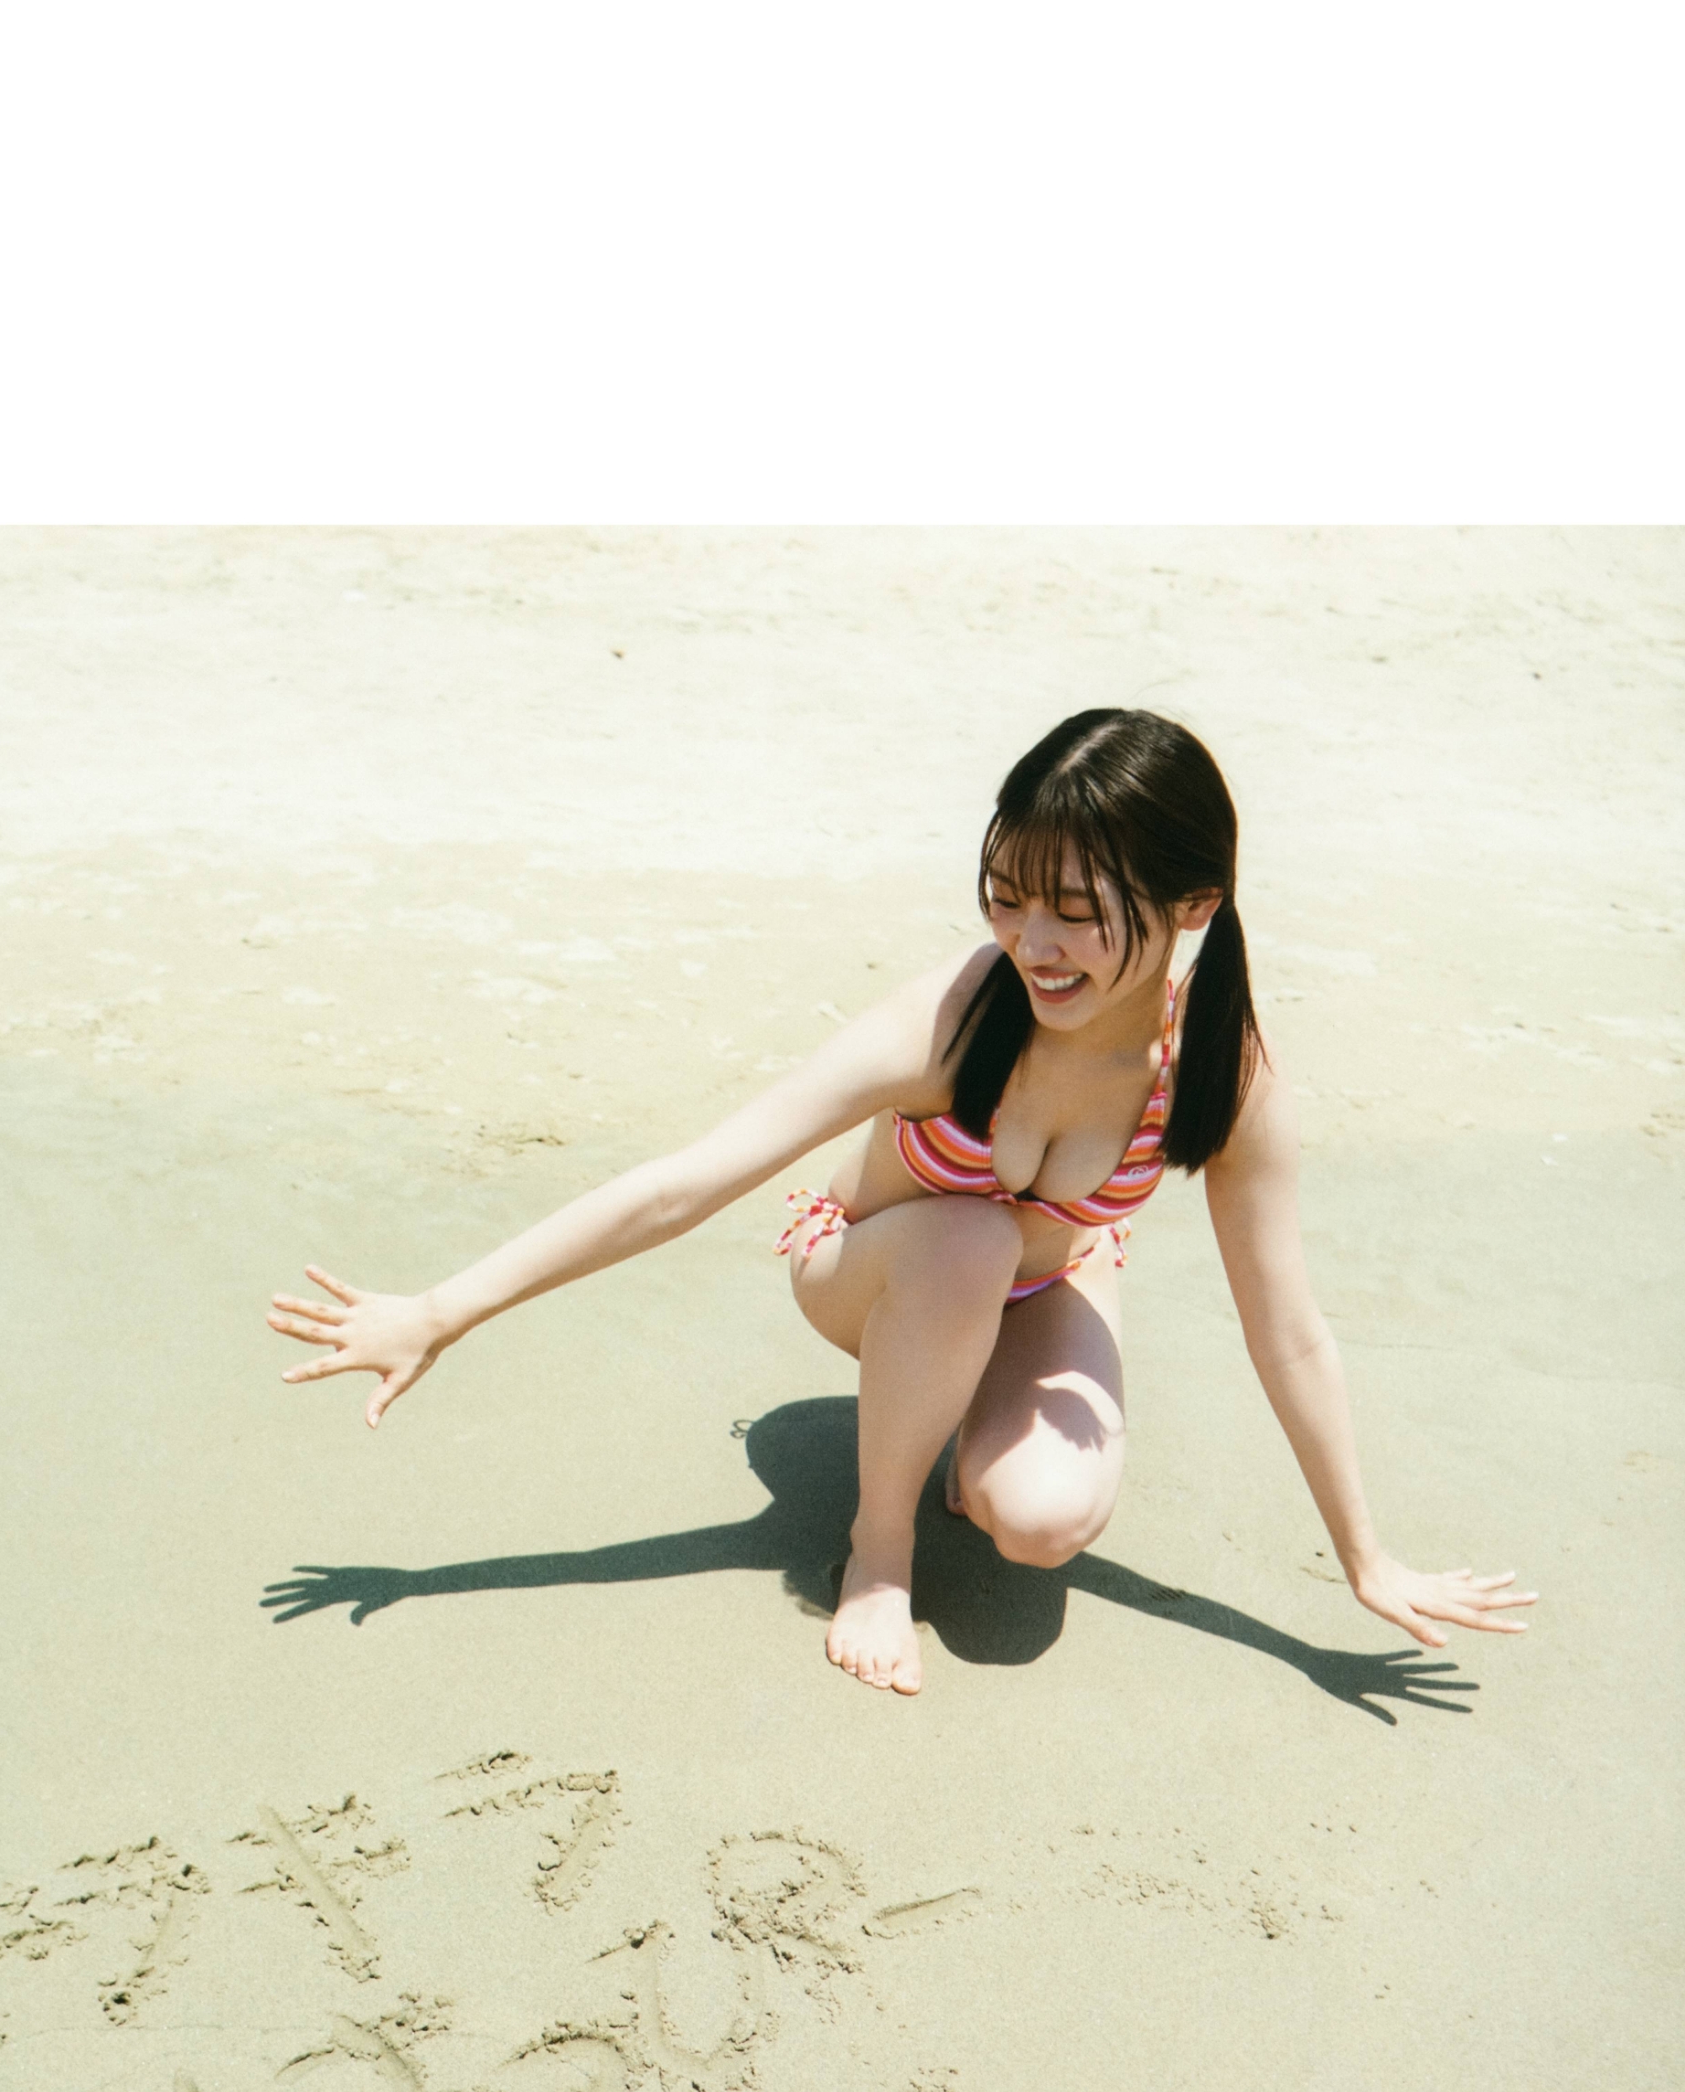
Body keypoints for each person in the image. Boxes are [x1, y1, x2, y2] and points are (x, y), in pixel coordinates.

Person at [266, 708, 1536, 1696]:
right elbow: (684, 1184)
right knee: (971, 1236)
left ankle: (982, 1419)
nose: (1033, 941)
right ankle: (881, 1548)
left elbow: (1288, 1328)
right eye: (1008, 895)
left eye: (1077, 913)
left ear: (1192, 907)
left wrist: (1365, 1558)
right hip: (868, 1265)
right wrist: (442, 1311)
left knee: (1042, 1524)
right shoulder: (954, 1022)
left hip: (1050, 1279)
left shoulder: (1216, 1068)